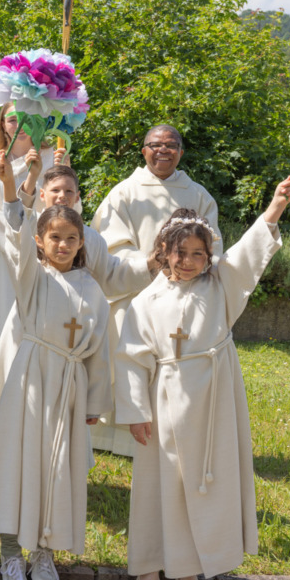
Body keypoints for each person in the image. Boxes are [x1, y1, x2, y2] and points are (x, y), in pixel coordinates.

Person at [116, 175, 290, 580]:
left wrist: (275, 206)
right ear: (164, 252)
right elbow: (129, 359)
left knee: (201, 485)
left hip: (213, 401)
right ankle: (148, 564)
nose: (190, 261)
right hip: (162, 404)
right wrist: (134, 409)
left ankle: (189, 571)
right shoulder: (146, 302)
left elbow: (249, 255)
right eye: (182, 253)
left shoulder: (220, 287)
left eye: (200, 254)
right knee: (158, 484)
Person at [0, 154, 111, 580]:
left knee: (57, 467)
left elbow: (99, 352)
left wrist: (93, 402)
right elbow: (17, 231)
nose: (63, 244)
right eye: (54, 237)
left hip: (68, 389)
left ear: (81, 241)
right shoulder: (31, 276)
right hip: (31, 383)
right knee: (20, 463)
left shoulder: (92, 289)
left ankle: (45, 550)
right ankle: (11, 554)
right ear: (41, 240)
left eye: (72, 238)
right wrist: (15, 185)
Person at [90, 125, 221, 457]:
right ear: (144, 150)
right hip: (135, 296)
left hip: (185, 299)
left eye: (171, 145)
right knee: (130, 361)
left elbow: (212, 248)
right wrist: (151, 265)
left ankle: (174, 427)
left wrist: (184, 272)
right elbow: (110, 251)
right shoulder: (123, 193)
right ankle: (118, 436)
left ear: (181, 151)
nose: (163, 150)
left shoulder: (199, 196)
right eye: (155, 145)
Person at [0, 104, 69, 458]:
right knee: (1, 329)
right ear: (2, 122)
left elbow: (60, 209)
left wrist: (40, 250)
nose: (19, 125)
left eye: (27, 119)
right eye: (12, 118)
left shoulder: (52, 158)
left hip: (42, 262)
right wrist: (18, 249)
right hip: (3, 260)